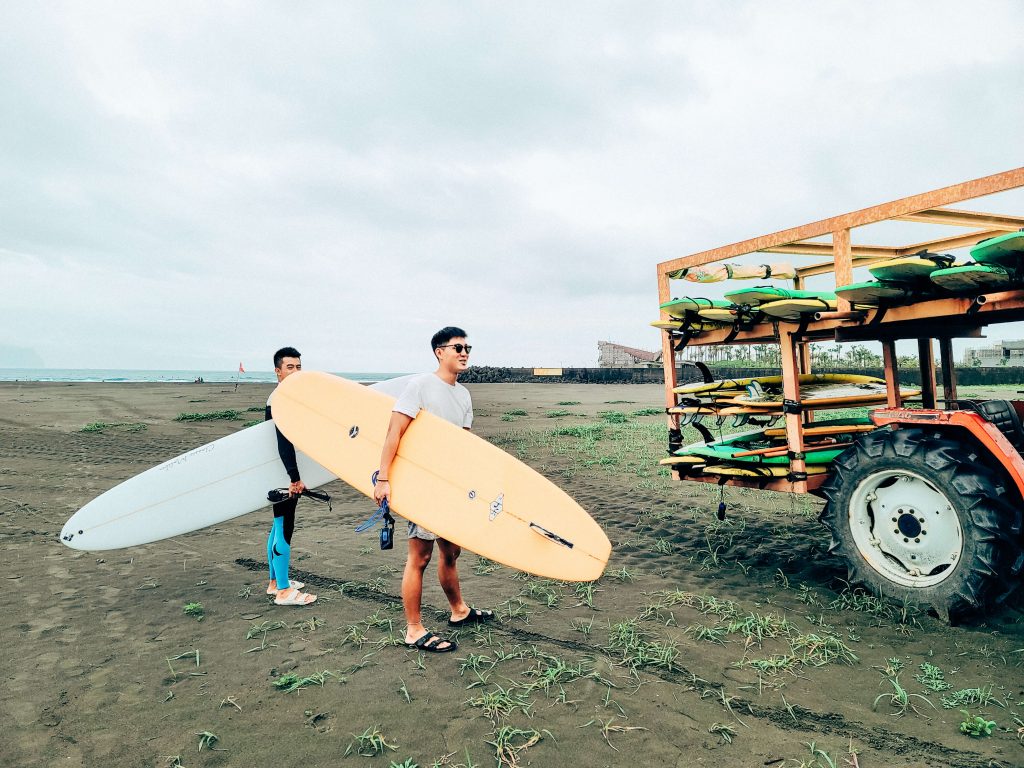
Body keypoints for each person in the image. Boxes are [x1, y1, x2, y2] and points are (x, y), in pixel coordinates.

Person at [374, 327, 494, 653]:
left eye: (467, 347)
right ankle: (413, 629)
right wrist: (383, 479)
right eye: (458, 347)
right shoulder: (421, 386)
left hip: (452, 487)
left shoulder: (464, 395)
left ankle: (459, 611)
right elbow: (393, 432)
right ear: (440, 352)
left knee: (451, 553)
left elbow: (462, 444)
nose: (465, 352)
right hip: (424, 487)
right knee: (420, 557)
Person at [265, 346, 316, 606]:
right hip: (285, 475)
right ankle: (284, 591)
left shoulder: (279, 397)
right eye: (290, 367)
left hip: (277, 471)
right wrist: (295, 478)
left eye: (298, 367)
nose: (296, 372)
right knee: (285, 527)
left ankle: (275, 582)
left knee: (277, 526)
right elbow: (284, 443)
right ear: (278, 371)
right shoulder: (280, 400)